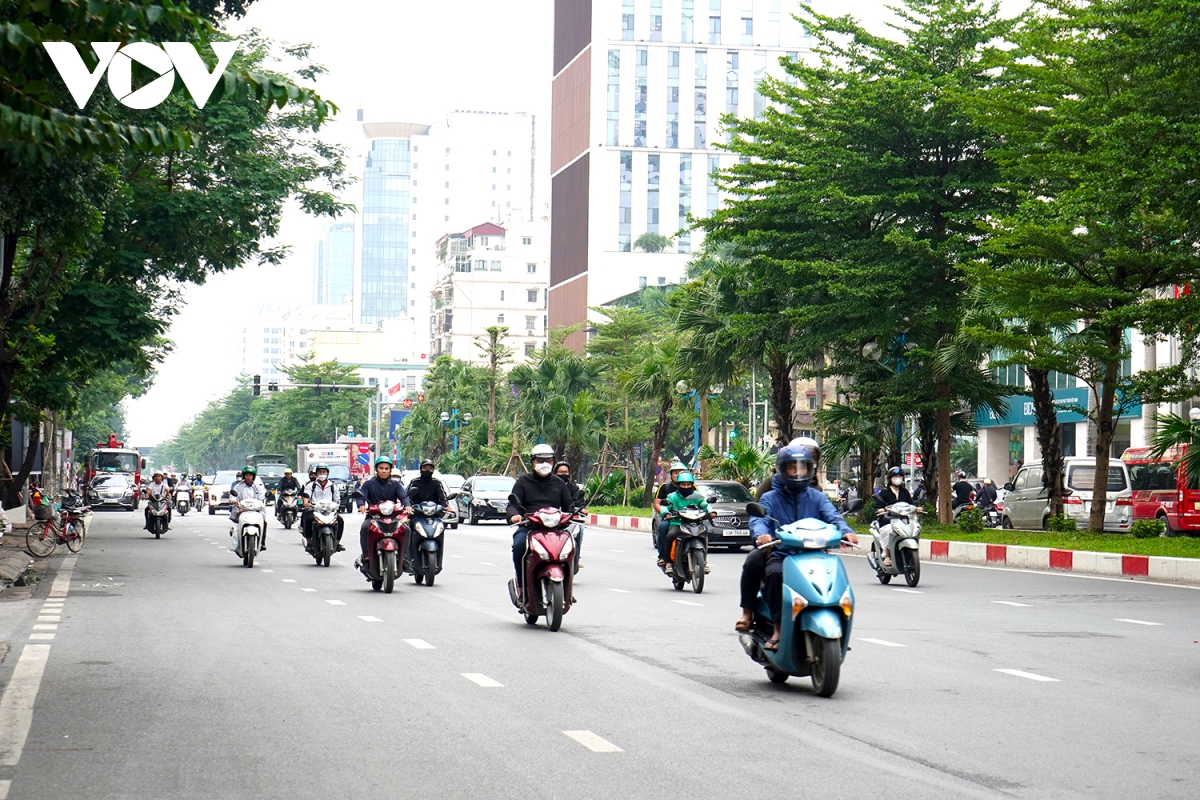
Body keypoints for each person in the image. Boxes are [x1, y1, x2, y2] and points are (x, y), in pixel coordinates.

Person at [736, 443, 858, 650]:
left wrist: (846, 530)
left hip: (815, 554)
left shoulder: (817, 497)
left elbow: (833, 516)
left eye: (803, 467)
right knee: (773, 574)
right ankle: (777, 628)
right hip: (783, 553)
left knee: (837, 575)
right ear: (782, 469)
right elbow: (759, 519)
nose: (798, 473)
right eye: (792, 468)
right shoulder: (769, 497)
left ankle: (840, 627)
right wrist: (762, 535)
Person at [506, 444, 575, 591]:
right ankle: (522, 585)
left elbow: (569, 506)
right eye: (540, 460)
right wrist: (515, 515)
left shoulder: (559, 483)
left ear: (553, 462)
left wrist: (572, 514)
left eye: (548, 461)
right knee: (518, 546)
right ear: (532, 462)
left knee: (571, 547)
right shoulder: (522, 483)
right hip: (529, 527)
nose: (544, 464)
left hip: (555, 529)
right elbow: (512, 505)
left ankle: (567, 588)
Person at [354, 457, 413, 574]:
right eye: (381, 468)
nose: (384, 471)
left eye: (387, 468)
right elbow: (360, 496)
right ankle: (366, 558)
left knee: (407, 529)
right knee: (365, 528)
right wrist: (361, 505)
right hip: (374, 517)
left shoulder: (395, 484)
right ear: (376, 469)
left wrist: (407, 505)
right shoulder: (368, 484)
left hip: (392, 517)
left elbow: (404, 497)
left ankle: (404, 558)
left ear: (390, 470)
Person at [657, 471, 712, 575]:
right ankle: (668, 561)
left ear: (692, 485)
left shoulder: (697, 496)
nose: (686, 487)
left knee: (704, 534)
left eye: (688, 484)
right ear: (678, 485)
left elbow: (704, 504)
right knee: (670, 536)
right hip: (678, 523)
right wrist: (666, 513)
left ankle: (704, 562)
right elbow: (665, 507)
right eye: (683, 484)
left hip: (695, 523)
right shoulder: (672, 496)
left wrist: (711, 511)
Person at [874, 466, 914, 568]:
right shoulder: (884, 492)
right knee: (889, 531)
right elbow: (878, 506)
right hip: (888, 520)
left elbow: (911, 504)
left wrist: (916, 508)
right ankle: (887, 555)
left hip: (903, 520)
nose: (898, 478)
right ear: (890, 479)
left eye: (900, 476)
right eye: (895, 476)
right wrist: (881, 509)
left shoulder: (905, 492)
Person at [302, 463, 343, 553]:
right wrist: (306, 502)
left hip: (329, 511)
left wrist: (337, 505)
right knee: (308, 519)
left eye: (324, 472)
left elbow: (337, 499)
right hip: (315, 510)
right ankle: (309, 542)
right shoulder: (311, 485)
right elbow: (306, 496)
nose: (322, 474)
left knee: (340, 520)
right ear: (317, 473)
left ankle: (337, 542)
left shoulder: (333, 486)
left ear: (327, 473)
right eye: (320, 472)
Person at [554, 460, 587, 571]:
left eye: (565, 472)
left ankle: (575, 559)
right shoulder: (549, 487)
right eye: (560, 472)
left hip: (567, 520)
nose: (563, 474)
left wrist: (582, 509)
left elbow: (579, 502)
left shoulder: (573, 488)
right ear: (555, 473)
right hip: (550, 520)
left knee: (579, 530)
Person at [229, 466, 267, 548]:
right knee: (236, 525)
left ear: (253, 476)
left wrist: (262, 503)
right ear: (244, 476)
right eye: (247, 475)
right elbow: (233, 496)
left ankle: (262, 542)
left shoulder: (258, 487)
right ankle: (236, 542)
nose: (248, 477)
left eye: (250, 475)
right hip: (242, 510)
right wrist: (234, 501)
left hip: (256, 511)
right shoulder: (238, 486)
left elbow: (262, 497)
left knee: (264, 522)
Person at [653, 460, 687, 549]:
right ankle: (662, 555)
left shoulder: (693, 487)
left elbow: (700, 502)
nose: (678, 475)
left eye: (681, 473)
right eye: (676, 473)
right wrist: (665, 513)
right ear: (671, 475)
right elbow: (657, 504)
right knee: (663, 527)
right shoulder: (664, 487)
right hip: (672, 518)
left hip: (688, 518)